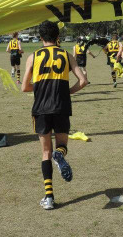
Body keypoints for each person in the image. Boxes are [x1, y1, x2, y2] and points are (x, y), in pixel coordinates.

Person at [22, 21, 87, 210]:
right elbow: (83, 81)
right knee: (62, 146)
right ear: (57, 37)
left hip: (41, 109)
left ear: (40, 38)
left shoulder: (33, 56)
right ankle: (60, 155)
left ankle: (49, 197)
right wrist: (67, 92)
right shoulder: (66, 55)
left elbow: (25, 87)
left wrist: (40, 87)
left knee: (45, 153)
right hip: (61, 107)